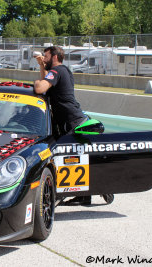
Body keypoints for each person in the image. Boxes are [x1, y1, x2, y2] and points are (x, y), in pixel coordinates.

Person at [34, 46, 113, 206]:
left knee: (72, 158)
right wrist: (41, 66)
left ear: (55, 57)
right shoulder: (61, 71)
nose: (44, 58)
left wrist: (36, 81)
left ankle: (100, 186)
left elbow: (40, 87)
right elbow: (46, 89)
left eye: (46, 56)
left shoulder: (57, 71)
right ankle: (87, 194)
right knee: (78, 159)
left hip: (73, 121)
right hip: (72, 120)